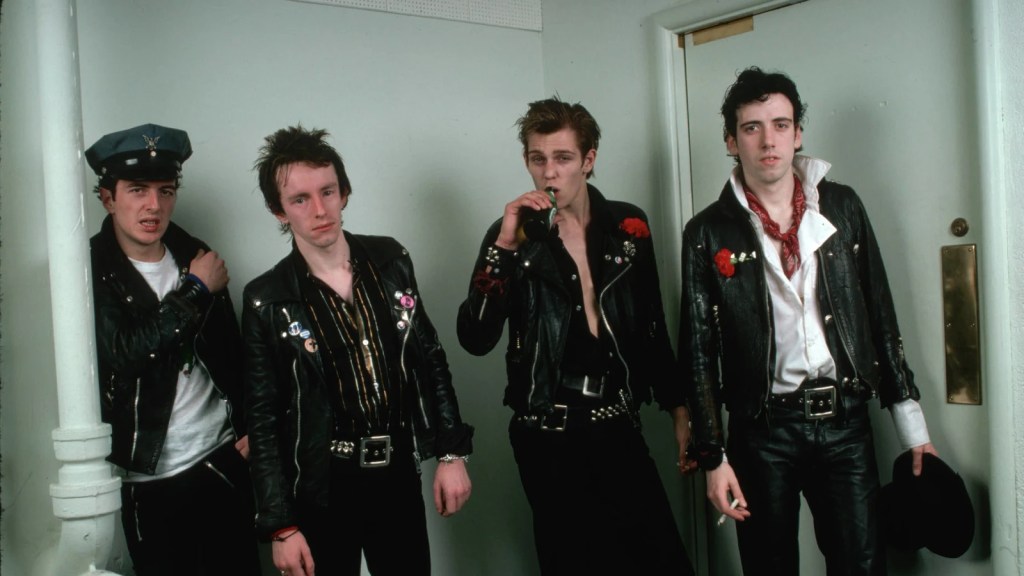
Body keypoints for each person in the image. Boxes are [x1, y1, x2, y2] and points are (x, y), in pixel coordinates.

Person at [679, 66, 938, 576]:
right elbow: (699, 352)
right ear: (731, 141)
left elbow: (880, 312)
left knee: (862, 565)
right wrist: (714, 457)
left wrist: (913, 427)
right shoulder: (706, 232)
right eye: (752, 127)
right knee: (768, 567)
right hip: (762, 432)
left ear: (797, 133)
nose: (768, 140)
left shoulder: (841, 205)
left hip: (845, 425)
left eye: (781, 125)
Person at [456, 96, 695, 575]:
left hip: (617, 424)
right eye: (537, 159)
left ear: (588, 160)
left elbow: (651, 327)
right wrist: (504, 246)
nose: (549, 173)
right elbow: (475, 338)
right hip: (549, 437)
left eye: (563, 158)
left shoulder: (627, 227)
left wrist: (680, 411)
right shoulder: (512, 237)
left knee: (661, 561)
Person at [243, 125, 474, 576]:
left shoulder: (390, 261)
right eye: (300, 199)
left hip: (396, 470)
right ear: (278, 211)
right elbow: (263, 420)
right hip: (323, 481)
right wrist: (280, 526)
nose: (319, 210)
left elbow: (430, 357)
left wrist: (452, 454)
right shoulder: (266, 298)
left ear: (344, 192)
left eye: (327, 191)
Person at [86, 123, 260, 576]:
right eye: (137, 190)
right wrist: (196, 290)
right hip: (150, 478)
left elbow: (233, 352)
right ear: (107, 198)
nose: (153, 206)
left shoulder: (195, 254)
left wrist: (251, 429)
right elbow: (126, 353)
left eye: (165, 191)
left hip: (223, 460)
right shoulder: (92, 269)